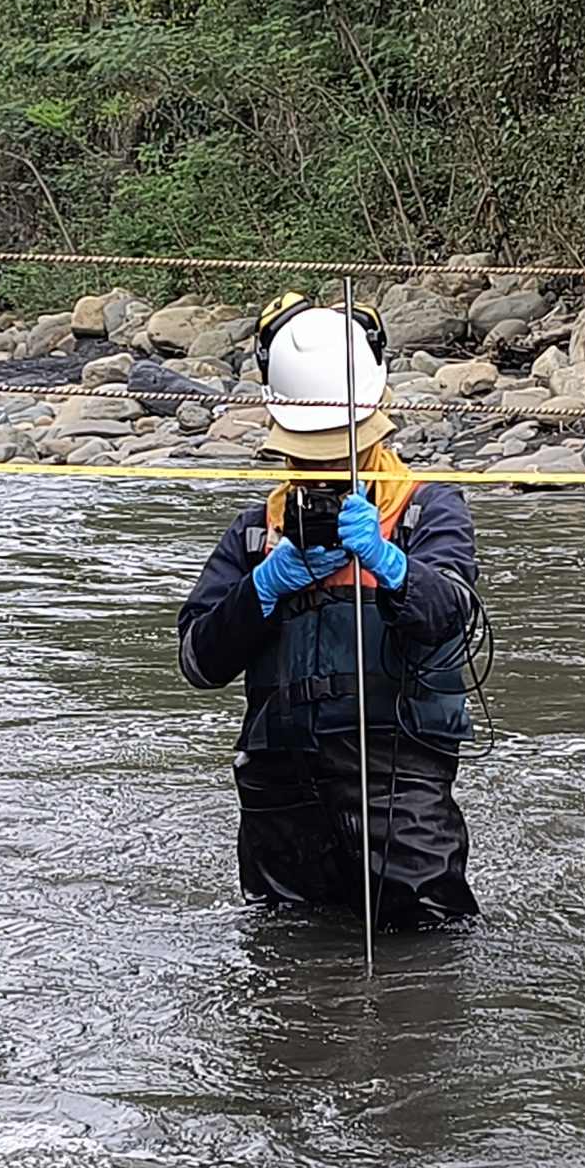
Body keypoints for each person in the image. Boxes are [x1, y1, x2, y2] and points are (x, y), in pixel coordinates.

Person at [177, 294, 482, 929]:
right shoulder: (255, 533)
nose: (318, 469)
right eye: (304, 455)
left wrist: (389, 564)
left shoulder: (427, 511)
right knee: (283, 946)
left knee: (430, 942)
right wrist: (263, 587)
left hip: (397, 781)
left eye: (332, 453)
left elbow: (452, 615)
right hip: (280, 790)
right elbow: (199, 661)